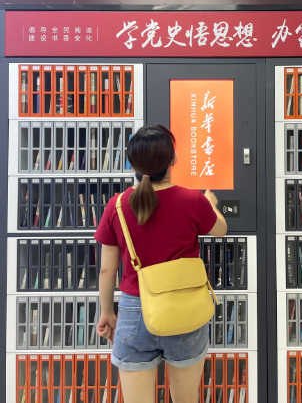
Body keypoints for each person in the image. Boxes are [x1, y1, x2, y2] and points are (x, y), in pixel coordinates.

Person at [94, 124, 227, 403]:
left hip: (135, 311)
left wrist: (107, 312)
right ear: (173, 159)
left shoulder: (117, 205)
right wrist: (211, 204)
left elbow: (107, 269)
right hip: (185, 308)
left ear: (132, 163)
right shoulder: (193, 200)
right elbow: (220, 230)